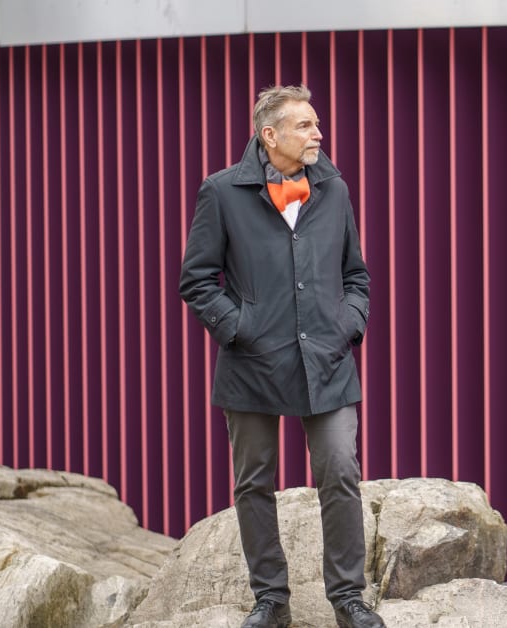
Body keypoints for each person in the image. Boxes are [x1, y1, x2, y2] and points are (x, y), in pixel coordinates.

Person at [180, 85, 384, 628]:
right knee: (254, 483)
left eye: (316, 124)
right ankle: (270, 600)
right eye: (305, 126)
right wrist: (239, 328)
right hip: (251, 363)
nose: (319, 134)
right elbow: (196, 280)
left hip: (328, 361)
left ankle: (349, 599)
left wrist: (348, 323)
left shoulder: (334, 189)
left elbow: (356, 274)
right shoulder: (221, 192)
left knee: (340, 471)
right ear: (270, 135)